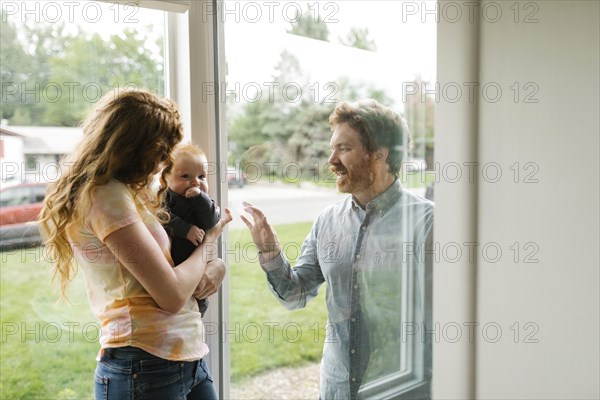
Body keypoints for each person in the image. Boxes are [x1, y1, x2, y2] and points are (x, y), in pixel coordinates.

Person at [39, 89, 231, 400]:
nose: (163, 162)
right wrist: (210, 240)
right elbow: (170, 295)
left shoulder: (128, 192)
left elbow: (169, 264)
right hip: (144, 364)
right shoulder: (106, 197)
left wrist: (216, 265)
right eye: (161, 151)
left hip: (183, 358)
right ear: (136, 147)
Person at [242, 99, 434, 400]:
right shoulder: (327, 221)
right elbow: (295, 294)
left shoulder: (428, 224)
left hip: (401, 392)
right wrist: (270, 252)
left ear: (380, 154)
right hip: (337, 390)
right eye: (333, 148)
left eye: (344, 149)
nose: (331, 160)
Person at [163, 143, 220, 316]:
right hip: (173, 269)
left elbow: (212, 222)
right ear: (166, 179)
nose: (195, 182)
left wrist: (200, 197)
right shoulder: (167, 197)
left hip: (198, 268)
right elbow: (162, 217)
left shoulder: (203, 202)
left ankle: (198, 312)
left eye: (202, 177)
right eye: (186, 176)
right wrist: (186, 229)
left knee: (198, 301)